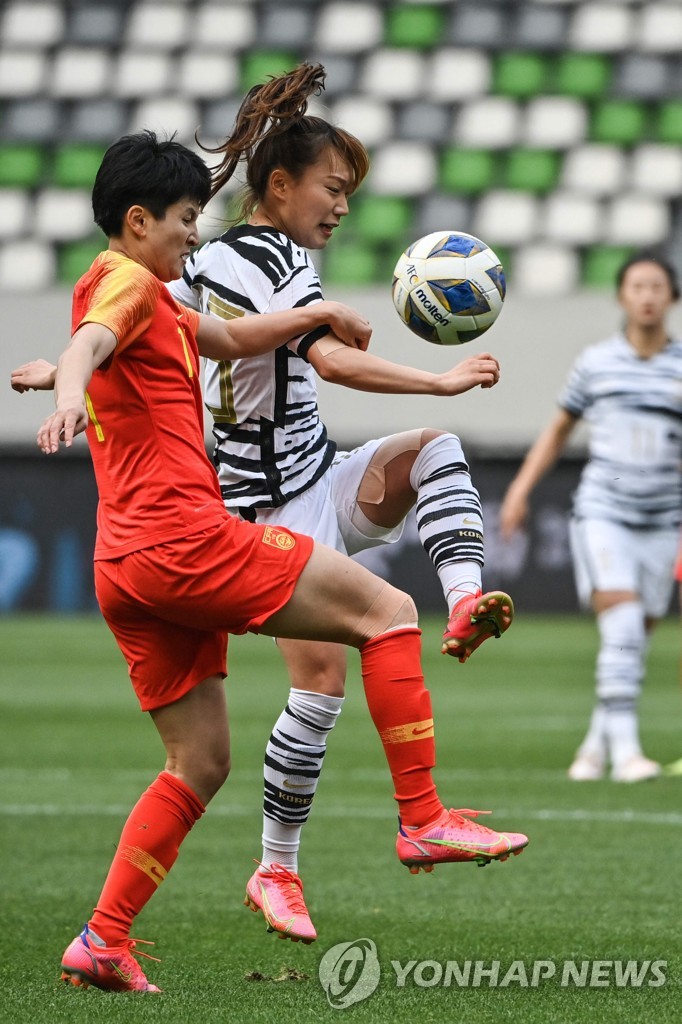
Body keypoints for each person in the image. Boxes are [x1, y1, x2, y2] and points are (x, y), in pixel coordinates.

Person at [15, 65, 519, 947]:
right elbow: (109, 334)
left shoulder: (172, 279)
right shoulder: (182, 271)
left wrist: (62, 372)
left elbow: (206, 335)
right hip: (221, 521)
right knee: (371, 630)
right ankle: (397, 826)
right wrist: (69, 383)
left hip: (149, 546)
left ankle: (103, 939)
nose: (193, 234)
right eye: (333, 188)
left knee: (201, 761)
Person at [169, 62, 516, 940]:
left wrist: (66, 368)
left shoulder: (205, 259)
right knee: (320, 684)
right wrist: (438, 380)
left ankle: (466, 601)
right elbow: (329, 361)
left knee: (434, 455)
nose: (342, 207)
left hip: (312, 475)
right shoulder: (276, 260)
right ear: (280, 187)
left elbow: (155, 326)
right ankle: (278, 868)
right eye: (333, 188)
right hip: (265, 514)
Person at [499, 252, 682, 784]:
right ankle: (626, 754)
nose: (647, 296)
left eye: (657, 286)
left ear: (672, 297)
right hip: (604, 513)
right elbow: (558, 430)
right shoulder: (596, 362)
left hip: (663, 519)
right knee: (623, 625)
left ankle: (594, 748)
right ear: (621, 295)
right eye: (637, 286)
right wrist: (519, 490)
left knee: (633, 640)